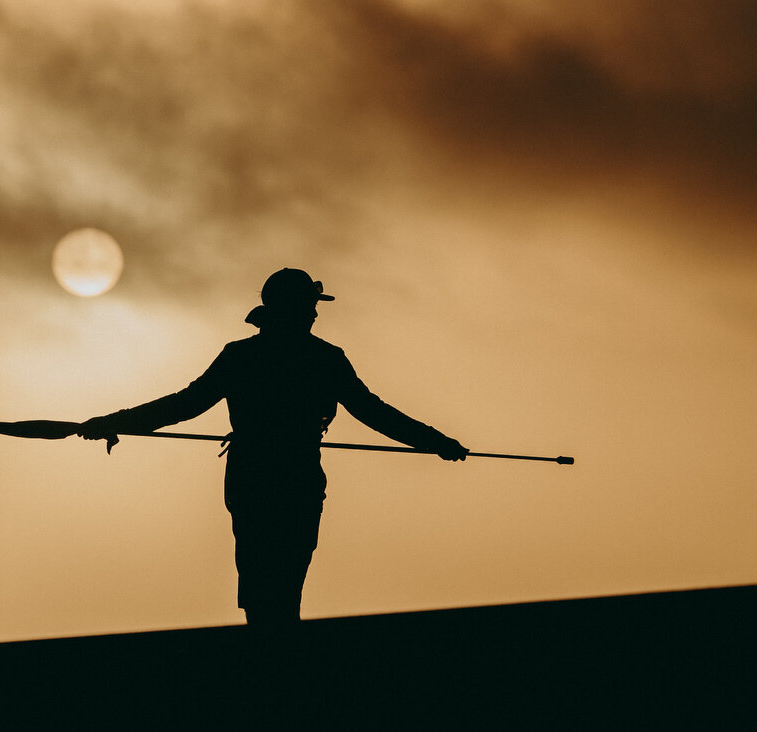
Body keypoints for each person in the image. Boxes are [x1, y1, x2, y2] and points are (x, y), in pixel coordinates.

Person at [78, 268, 469, 629]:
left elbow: (182, 405)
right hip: (295, 480)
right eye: (310, 306)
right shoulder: (323, 359)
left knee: (261, 582)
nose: (315, 314)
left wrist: (114, 422)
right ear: (294, 308)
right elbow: (373, 412)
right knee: (284, 581)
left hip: (253, 479)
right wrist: (435, 441)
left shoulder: (243, 356)